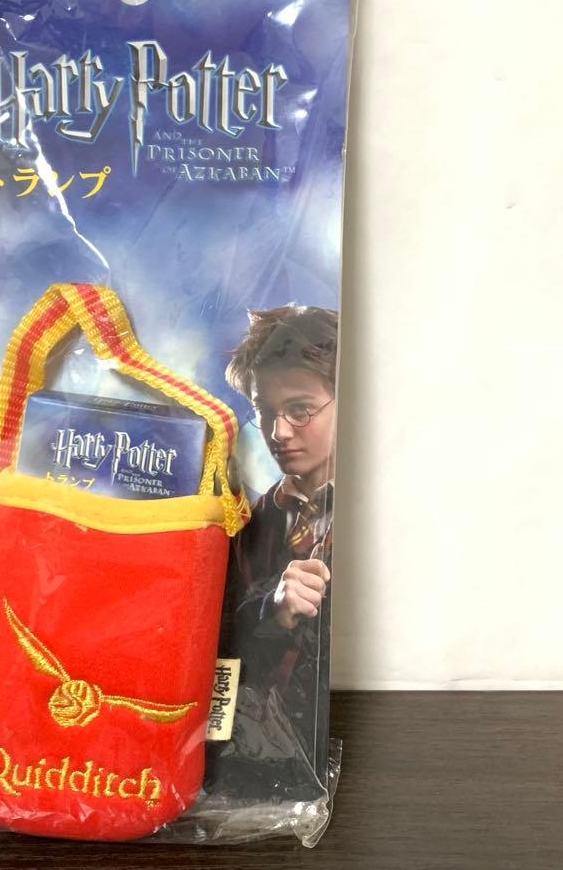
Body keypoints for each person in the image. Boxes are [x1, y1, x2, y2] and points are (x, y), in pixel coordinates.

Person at [208, 304, 338, 801]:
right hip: (257, 764)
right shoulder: (251, 520)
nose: (278, 433)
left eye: (300, 410)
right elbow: (222, 644)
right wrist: (272, 610)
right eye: (264, 413)